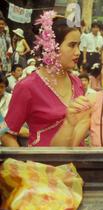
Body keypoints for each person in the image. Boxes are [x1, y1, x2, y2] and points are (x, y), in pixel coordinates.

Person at [1, 12, 84, 147]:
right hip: (42, 165)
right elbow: (6, 134)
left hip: (77, 165)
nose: (78, 52)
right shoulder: (27, 86)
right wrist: (24, 165)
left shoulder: (77, 82)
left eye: (79, 45)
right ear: (51, 46)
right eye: (72, 45)